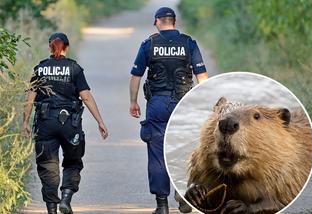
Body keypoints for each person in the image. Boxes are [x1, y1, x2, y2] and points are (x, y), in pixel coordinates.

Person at [129, 7, 209, 214]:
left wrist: (133, 102)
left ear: (157, 21)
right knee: (186, 150)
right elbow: (202, 77)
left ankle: (162, 205)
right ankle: (183, 193)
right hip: (183, 104)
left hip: (157, 104)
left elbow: (136, 76)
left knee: (157, 153)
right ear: (174, 21)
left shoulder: (149, 44)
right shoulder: (189, 43)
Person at [23, 32, 108, 214]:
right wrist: (100, 121)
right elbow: (86, 97)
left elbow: (30, 99)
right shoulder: (74, 68)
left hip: (45, 124)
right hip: (70, 123)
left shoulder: (40, 69)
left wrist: (25, 123)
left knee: (47, 166)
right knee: (73, 162)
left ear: (49, 47)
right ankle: (66, 198)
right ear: (66, 48)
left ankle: (52, 210)